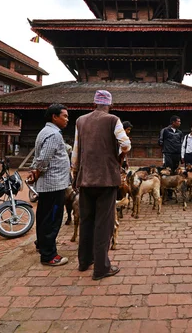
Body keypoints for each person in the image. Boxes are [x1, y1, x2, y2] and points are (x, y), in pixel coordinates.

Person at [72, 90, 131, 280]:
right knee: (103, 223)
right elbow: (126, 143)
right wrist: (119, 156)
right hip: (106, 179)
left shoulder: (80, 121)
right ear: (109, 105)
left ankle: (84, 261)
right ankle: (101, 268)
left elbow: (75, 150)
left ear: (94, 104)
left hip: (85, 178)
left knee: (86, 220)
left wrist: (75, 173)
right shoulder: (113, 120)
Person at [28, 103, 71, 266]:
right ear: (54, 116)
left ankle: (42, 245)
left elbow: (38, 156)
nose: (67, 119)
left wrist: (34, 171)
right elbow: (44, 159)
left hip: (48, 184)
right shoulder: (54, 134)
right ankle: (49, 255)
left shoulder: (44, 132)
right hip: (54, 184)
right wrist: (37, 172)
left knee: (44, 216)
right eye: (64, 116)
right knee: (52, 219)